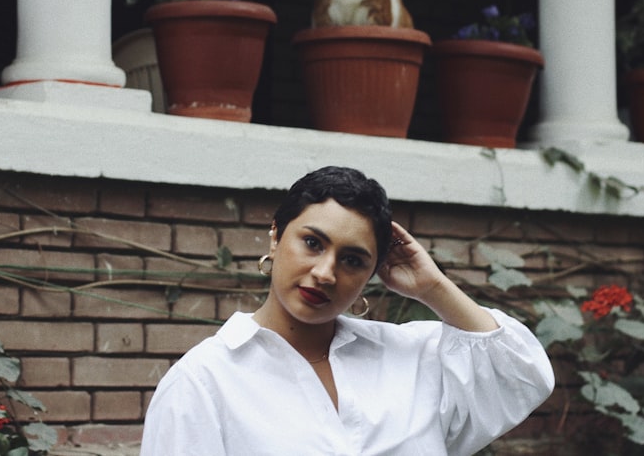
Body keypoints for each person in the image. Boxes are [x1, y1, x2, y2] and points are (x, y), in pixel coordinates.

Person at [140, 166, 554, 455]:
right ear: (275, 238)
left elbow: (524, 374)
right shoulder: (204, 381)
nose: (325, 273)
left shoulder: (410, 357)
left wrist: (434, 287)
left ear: (373, 274)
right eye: (313, 243)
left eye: (353, 260)